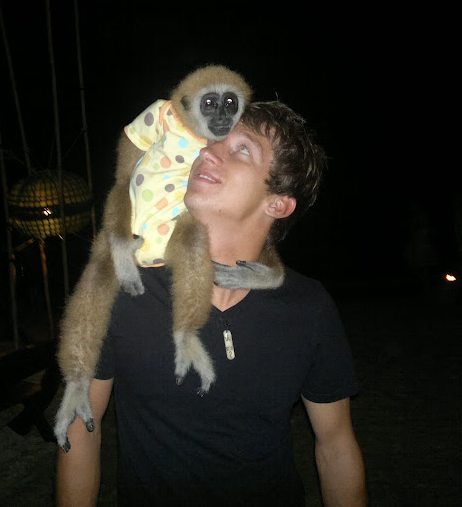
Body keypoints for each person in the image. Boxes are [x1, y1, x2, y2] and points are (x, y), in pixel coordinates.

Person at [56, 101, 368, 506]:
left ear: (277, 203)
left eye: (242, 149)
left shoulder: (308, 307)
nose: (207, 150)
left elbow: (336, 446)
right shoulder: (121, 291)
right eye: (212, 139)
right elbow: (81, 427)